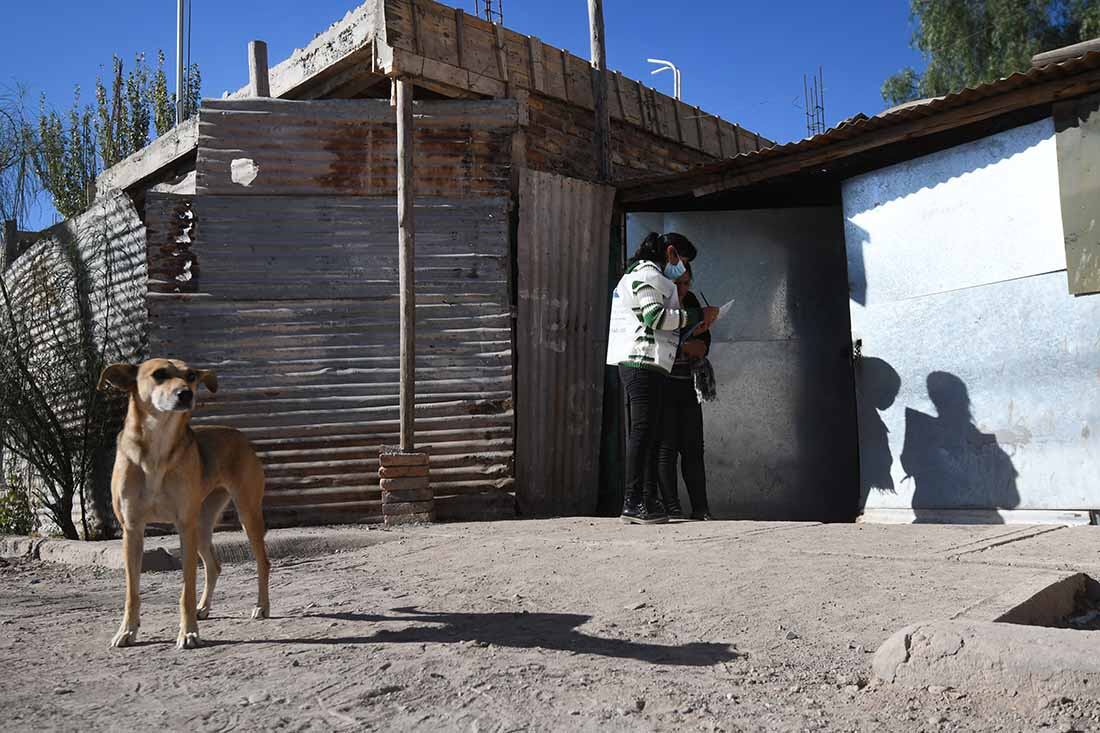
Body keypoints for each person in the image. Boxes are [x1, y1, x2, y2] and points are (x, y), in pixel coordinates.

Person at [606, 233, 719, 525]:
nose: (682, 269)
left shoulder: (651, 275)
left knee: (650, 434)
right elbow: (654, 317)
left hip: (652, 364)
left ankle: (646, 499)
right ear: (670, 253)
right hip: (640, 362)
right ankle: (633, 501)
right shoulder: (647, 274)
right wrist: (695, 315)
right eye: (682, 261)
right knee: (643, 432)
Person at [657, 262, 712, 520]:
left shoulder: (691, 302)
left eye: (686, 283)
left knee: (693, 448)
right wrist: (683, 345)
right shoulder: (658, 304)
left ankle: (701, 508)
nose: (681, 289)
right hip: (663, 384)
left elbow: (701, 347)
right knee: (666, 447)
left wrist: (686, 344)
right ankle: (671, 507)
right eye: (676, 283)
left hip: (688, 384)